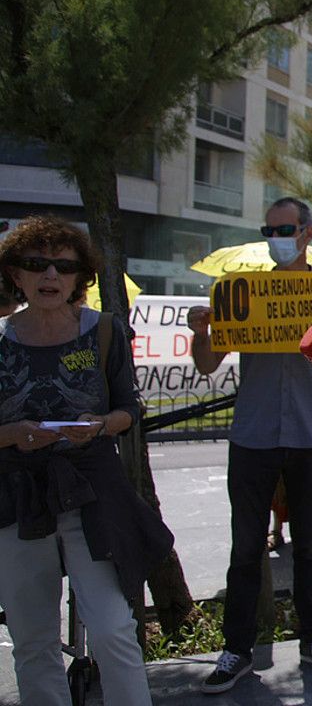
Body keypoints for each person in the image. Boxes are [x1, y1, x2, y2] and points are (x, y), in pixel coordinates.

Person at [187, 198, 312, 694]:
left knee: (309, 547)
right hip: (254, 436)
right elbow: (206, 362)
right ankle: (236, 649)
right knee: (246, 548)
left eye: (284, 228)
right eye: (269, 228)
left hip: (310, 435)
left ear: (307, 233)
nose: (276, 235)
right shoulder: (244, 293)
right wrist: (202, 333)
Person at [0, 215, 173, 706]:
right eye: (36, 265)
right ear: (16, 274)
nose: (50, 276)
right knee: (32, 640)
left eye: (63, 266)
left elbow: (129, 408)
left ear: (81, 277)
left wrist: (99, 425)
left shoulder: (104, 332)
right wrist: (14, 434)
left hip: (92, 492)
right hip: (17, 497)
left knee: (114, 627)